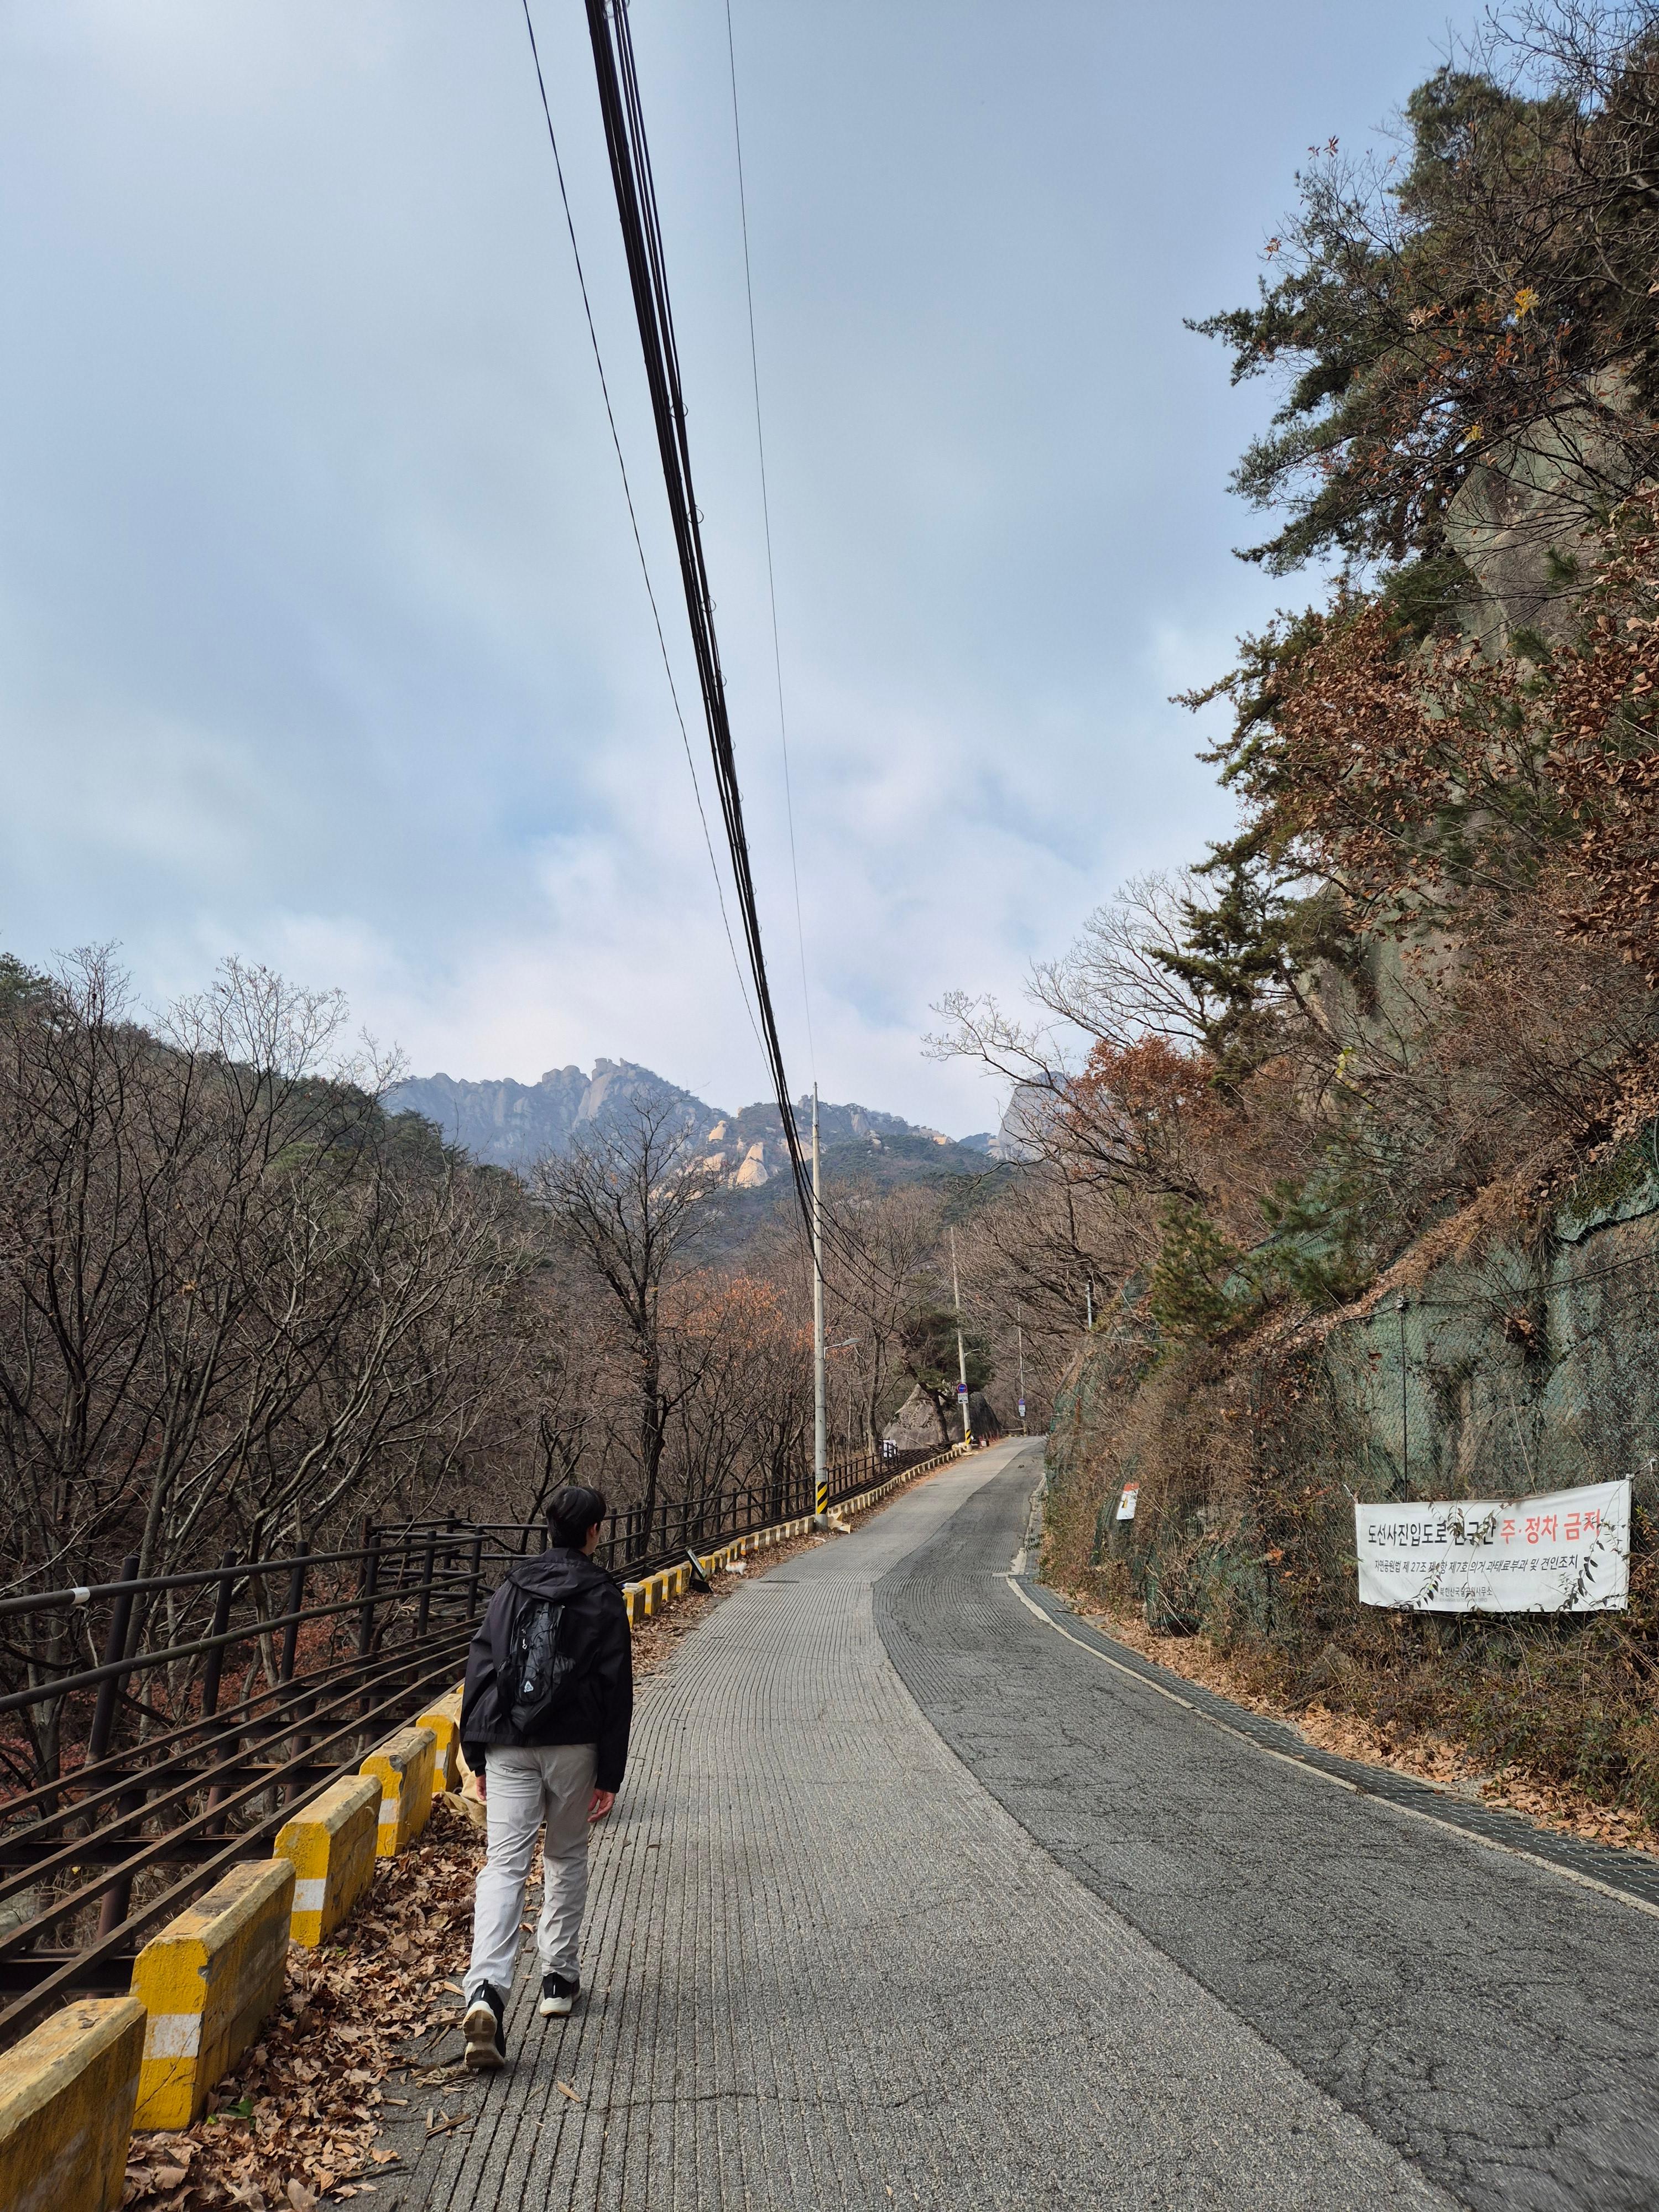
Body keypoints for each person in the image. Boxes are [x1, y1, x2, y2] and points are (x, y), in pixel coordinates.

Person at [457, 1482, 633, 2072]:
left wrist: (477, 1752)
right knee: (564, 1853)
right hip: (573, 1744)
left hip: (509, 1740)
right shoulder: (603, 1594)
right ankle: (558, 1978)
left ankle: (486, 1992)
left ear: (548, 1529)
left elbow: (483, 1665)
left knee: (504, 1864)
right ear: (592, 1532)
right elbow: (615, 1689)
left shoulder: (511, 1588)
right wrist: (609, 1770)